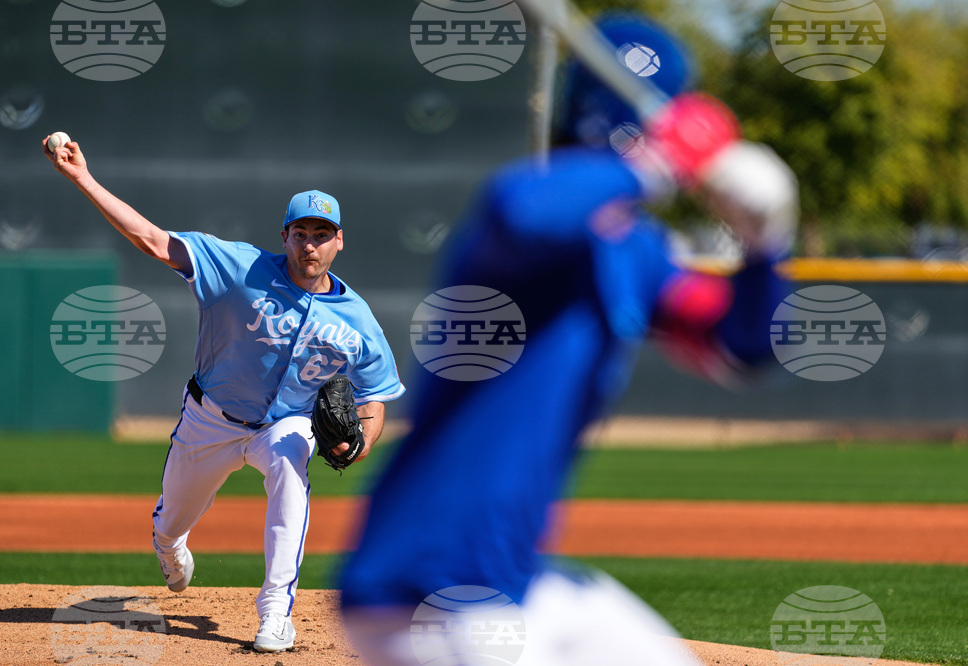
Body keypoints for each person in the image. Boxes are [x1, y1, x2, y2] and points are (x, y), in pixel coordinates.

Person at [338, 13, 797, 666]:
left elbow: (741, 346)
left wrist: (765, 246)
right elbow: (519, 209)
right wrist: (664, 161)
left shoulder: (637, 252)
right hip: (429, 588)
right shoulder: (521, 229)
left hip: (516, 585)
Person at [43, 138, 405, 653]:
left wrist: (361, 441)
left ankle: (276, 612)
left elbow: (374, 399)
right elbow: (150, 239)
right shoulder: (239, 269)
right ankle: (170, 547)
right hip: (210, 419)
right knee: (172, 521)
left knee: (289, 463)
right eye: (301, 233)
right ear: (285, 235)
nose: (310, 245)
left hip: (285, 422)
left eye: (322, 235)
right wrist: (82, 178)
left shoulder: (360, 322)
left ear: (339, 242)